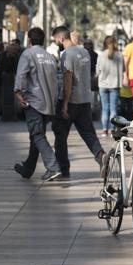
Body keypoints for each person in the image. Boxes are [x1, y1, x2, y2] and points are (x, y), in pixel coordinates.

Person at [51, 26, 106, 179]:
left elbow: (68, 79)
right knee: (88, 132)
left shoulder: (66, 54)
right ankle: (100, 154)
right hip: (85, 100)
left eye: (56, 40)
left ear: (61, 38)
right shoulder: (84, 52)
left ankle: (63, 168)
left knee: (60, 134)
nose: (56, 42)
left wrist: (65, 104)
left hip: (71, 100)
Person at [13, 27, 61, 181]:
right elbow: (56, 82)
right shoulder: (49, 56)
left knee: (37, 135)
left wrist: (17, 93)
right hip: (48, 103)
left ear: (30, 40)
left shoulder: (28, 54)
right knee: (37, 134)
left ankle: (53, 167)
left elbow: (21, 75)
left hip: (33, 101)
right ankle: (28, 168)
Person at [97, 35, 124, 136]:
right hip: (115, 85)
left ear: (105, 43)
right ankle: (113, 129)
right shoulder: (119, 55)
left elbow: (97, 71)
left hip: (103, 85)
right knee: (113, 108)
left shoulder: (101, 55)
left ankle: (104, 130)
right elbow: (123, 70)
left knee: (105, 108)